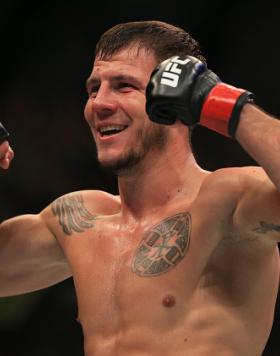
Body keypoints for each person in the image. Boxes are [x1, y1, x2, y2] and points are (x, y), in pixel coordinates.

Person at [0, 20, 279, 356]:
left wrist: (224, 103)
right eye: (93, 88)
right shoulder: (78, 222)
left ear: (176, 100)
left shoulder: (226, 200)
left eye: (123, 86)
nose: (99, 103)